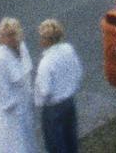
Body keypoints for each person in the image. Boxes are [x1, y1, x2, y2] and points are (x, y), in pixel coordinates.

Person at [0, 19, 38, 153]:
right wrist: (16, 110)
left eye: (14, 34)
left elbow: (27, 74)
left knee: (28, 142)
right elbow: (2, 90)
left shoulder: (22, 47)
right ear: (1, 37)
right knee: (14, 145)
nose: (12, 38)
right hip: (12, 115)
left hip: (26, 106)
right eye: (8, 35)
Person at [33, 19, 83, 153]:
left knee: (56, 145)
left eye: (41, 37)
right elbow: (78, 72)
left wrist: (40, 101)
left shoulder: (46, 62)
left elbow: (45, 90)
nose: (40, 41)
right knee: (71, 140)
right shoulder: (69, 50)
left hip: (53, 108)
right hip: (69, 102)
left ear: (47, 40)